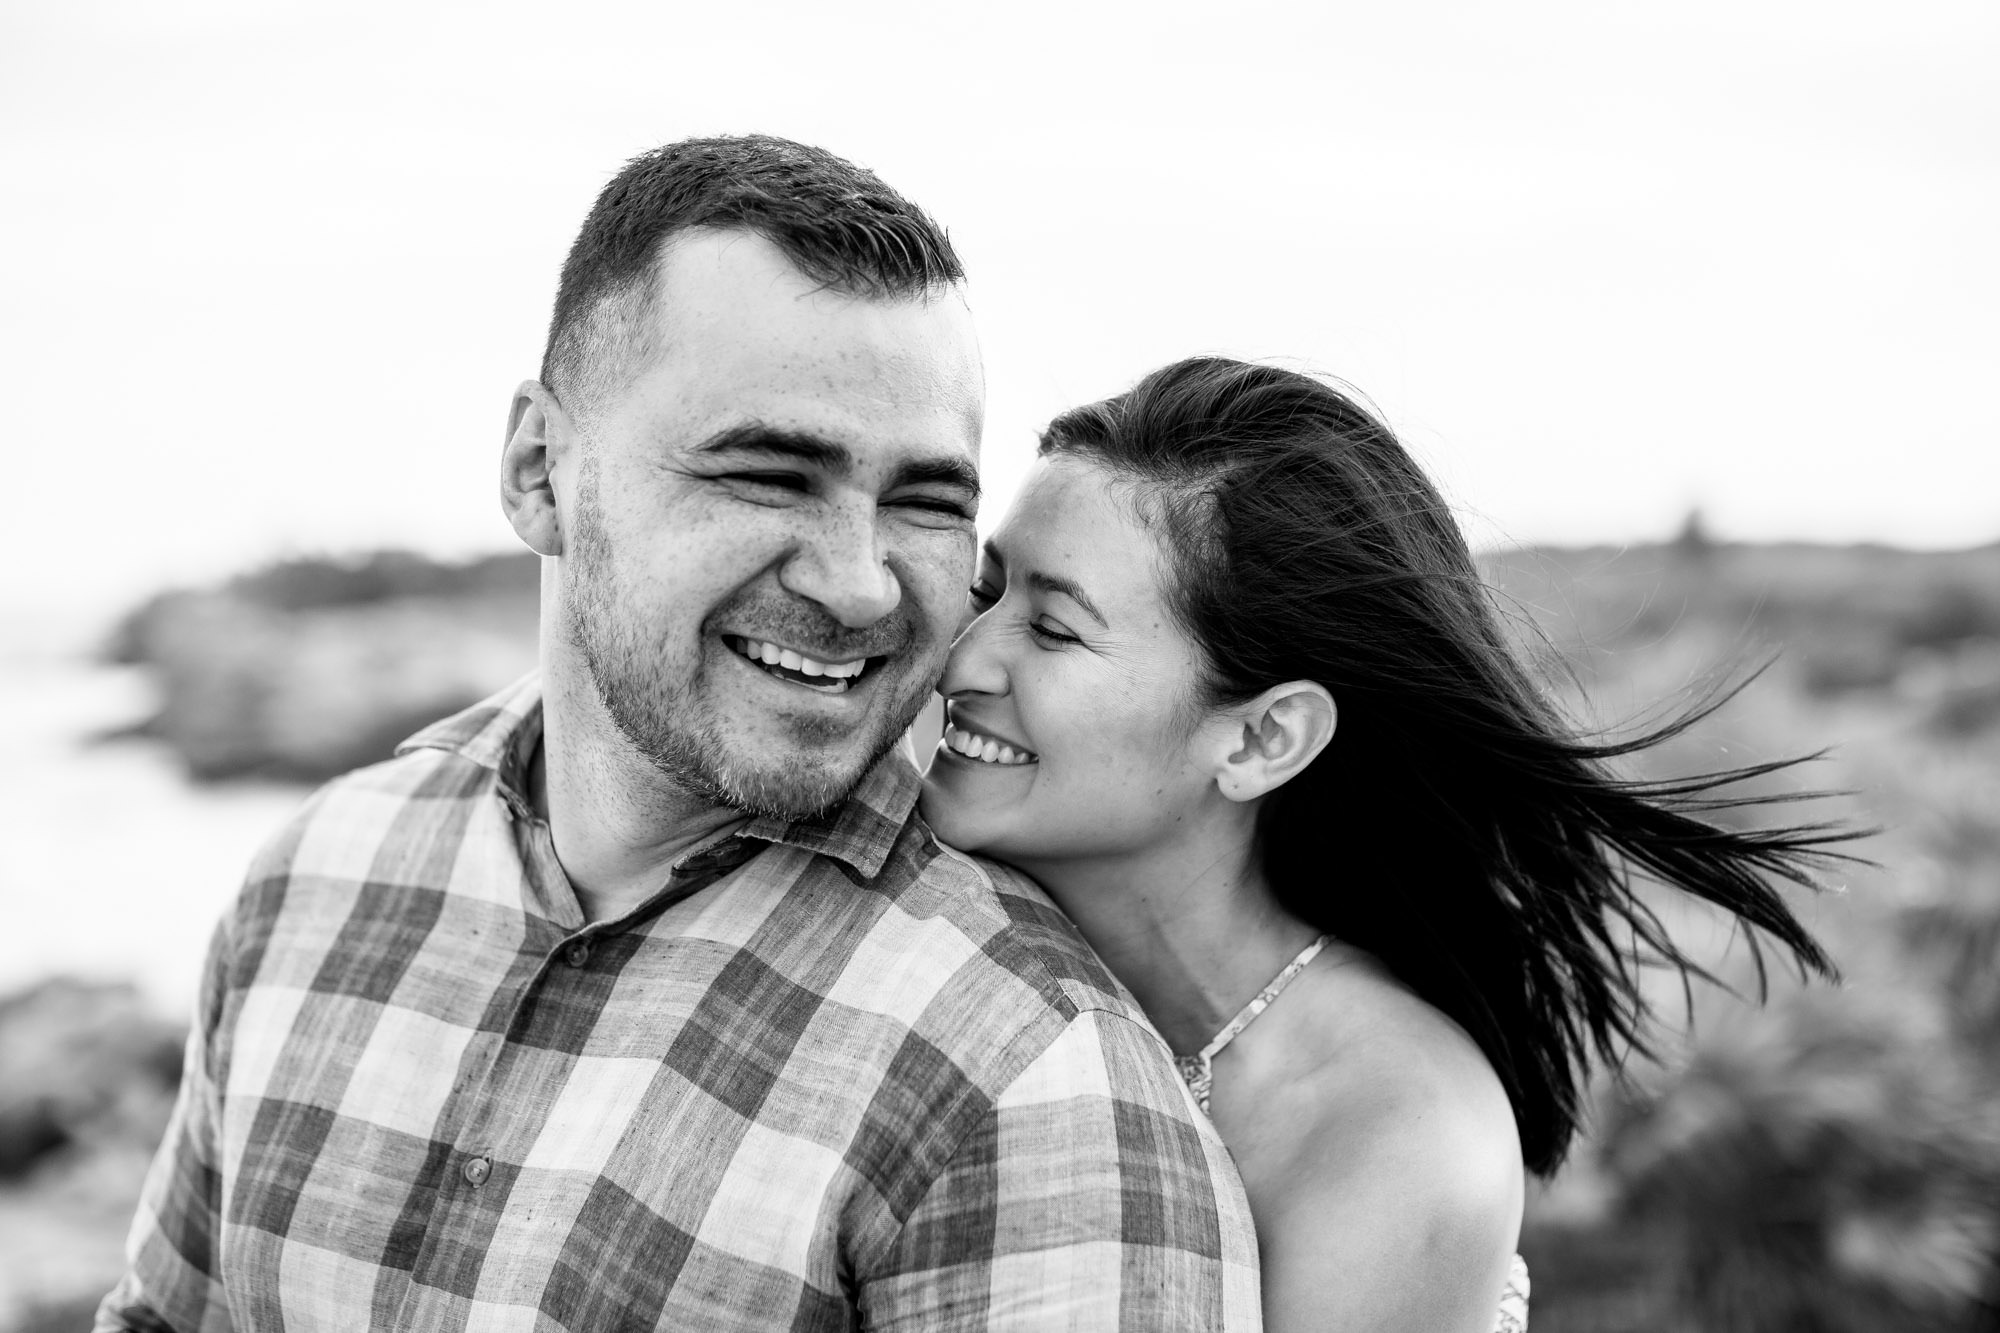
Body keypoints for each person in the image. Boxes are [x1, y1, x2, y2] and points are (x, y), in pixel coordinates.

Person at [98, 140, 1262, 1331]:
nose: (861, 587)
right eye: (767, 474)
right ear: (539, 470)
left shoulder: (1028, 1078)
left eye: (925, 501)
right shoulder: (313, 880)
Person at [921, 356, 1847, 1333]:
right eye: (985, 592)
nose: (963, 658)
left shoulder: (1396, 1138)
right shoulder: (932, 926)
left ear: (1259, 738)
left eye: (1054, 630)